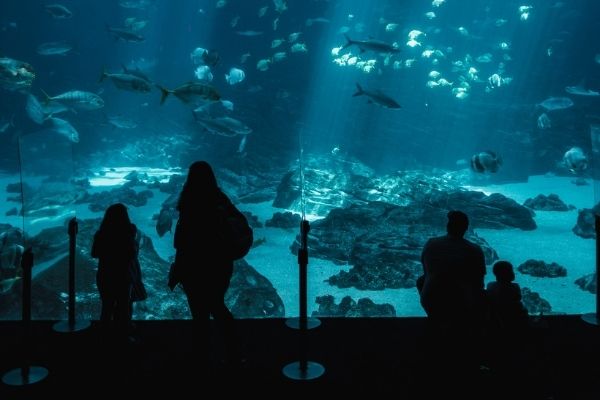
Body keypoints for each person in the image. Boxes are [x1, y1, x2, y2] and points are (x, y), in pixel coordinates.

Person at [173, 160, 242, 366]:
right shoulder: (220, 199)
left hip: (193, 265)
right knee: (217, 306)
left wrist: (179, 266)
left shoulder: (187, 202)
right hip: (219, 264)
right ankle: (232, 352)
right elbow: (236, 225)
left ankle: (202, 356)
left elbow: (182, 241)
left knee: (199, 312)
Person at [418, 210, 487, 383]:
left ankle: (437, 340)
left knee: (421, 280)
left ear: (447, 226)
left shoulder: (431, 244)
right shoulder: (474, 249)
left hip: (432, 299)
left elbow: (426, 272)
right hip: (462, 304)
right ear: (466, 228)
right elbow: (479, 281)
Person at [91, 203, 144, 343]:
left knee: (107, 307)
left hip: (105, 275)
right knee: (123, 307)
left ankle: (104, 339)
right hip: (123, 275)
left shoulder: (101, 233)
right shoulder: (130, 230)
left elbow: (94, 253)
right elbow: (132, 254)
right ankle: (123, 339)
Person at [486, 261, 528, 331]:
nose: (513, 273)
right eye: (511, 271)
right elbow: (518, 298)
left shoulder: (490, 285)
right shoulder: (515, 286)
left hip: (495, 318)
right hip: (512, 316)